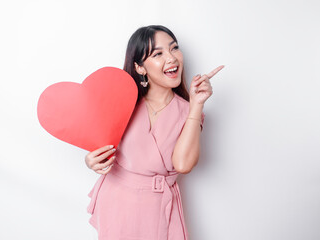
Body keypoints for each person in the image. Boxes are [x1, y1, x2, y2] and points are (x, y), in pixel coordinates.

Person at [85, 25, 224, 240]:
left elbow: (183, 164)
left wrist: (196, 104)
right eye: (158, 54)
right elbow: (100, 146)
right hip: (116, 202)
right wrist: (92, 161)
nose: (172, 58)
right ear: (140, 68)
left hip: (155, 208)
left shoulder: (188, 110)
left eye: (174, 48)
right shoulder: (122, 102)